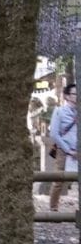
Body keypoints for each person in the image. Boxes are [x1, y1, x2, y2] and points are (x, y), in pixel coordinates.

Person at [48, 82, 77, 211]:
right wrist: (68, 150)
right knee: (58, 181)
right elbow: (54, 133)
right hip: (63, 151)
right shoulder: (59, 111)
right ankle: (53, 208)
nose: (76, 96)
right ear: (67, 96)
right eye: (74, 94)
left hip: (79, 151)